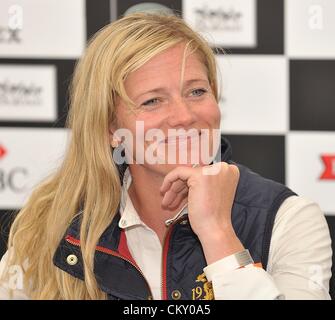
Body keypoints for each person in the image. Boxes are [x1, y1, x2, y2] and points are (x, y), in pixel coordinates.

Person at [0, 12, 332, 300]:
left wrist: (218, 233)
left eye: (197, 91)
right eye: (152, 101)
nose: (184, 116)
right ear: (110, 126)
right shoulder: (50, 224)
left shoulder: (287, 219)